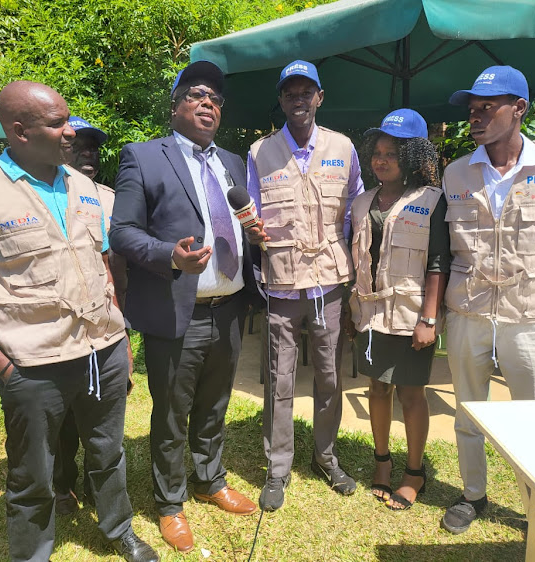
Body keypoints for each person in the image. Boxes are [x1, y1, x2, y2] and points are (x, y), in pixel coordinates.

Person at [0, 81, 158, 562]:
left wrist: (119, 337)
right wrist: (4, 367)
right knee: (33, 473)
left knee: (108, 452)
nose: (70, 132)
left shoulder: (88, 190)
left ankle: (118, 528)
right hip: (33, 365)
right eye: (58, 122)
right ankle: (33, 553)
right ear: (19, 131)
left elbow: (104, 267)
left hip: (103, 353)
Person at [110, 61, 257, 554]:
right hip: (179, 312)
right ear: (175, 105)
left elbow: (236, 218)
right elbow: (123, 232)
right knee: (172, 414)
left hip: (230, 307)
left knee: (214, 406)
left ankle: (209, 481)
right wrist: (168, 256)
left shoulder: (233, 163)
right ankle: (170, 503)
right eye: (196, 94)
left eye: (216, 98)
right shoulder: (144, 157)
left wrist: (253, 237)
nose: (208, 103)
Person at [440, 66, 535, 557]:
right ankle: (473, 495)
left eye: (487, 107)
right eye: (472, 109)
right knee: (469, 411)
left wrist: (533, 282)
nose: (475, 117)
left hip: (529, 314)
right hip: (469, 311)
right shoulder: (457, 172)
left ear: (518, 109)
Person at [246, 60, 364, 512]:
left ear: (319, 97)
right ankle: (278, 468)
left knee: (331, 375)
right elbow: (250, 215)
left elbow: (354, 211)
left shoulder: (344, 147)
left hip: (329, 283)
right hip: (281, 283)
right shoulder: (260, 152)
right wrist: (252, 233)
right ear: (281, 100)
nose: (298, 99)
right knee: (280, 378)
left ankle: (325, 456)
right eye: (289, 93)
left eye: (306, 91)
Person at [349, 109, 450, 510]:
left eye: (392, 152)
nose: (381, 159)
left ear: (411, 156)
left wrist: (429, 318)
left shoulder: (431, 202)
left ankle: (414, 471)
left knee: (410, 393)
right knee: (376, 387)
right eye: (377, 152)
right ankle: (381, 462)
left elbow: (439, 262)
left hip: (410, 315)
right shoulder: (361, 203)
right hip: (369, 314)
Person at [53, 116, 131, 514]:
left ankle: (95, 485)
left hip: (108, 322)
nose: (89, 152)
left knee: (103, 412)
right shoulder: (39, 194)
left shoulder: (109, 197)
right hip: (58, 332)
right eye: (79, 144)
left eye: (95, 147)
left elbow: (116, 259)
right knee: (63, 416)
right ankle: (62, 484)